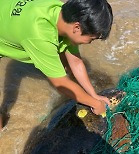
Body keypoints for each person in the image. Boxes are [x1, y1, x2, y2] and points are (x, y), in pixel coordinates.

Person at [0, 0, 113, 130]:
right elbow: (60, 83)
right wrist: (94, 104)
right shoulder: (40, 36)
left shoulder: (62, 11)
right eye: (91, 39)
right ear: (77, 27)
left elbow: (75, 61)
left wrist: (94, 95)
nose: (90, 43)